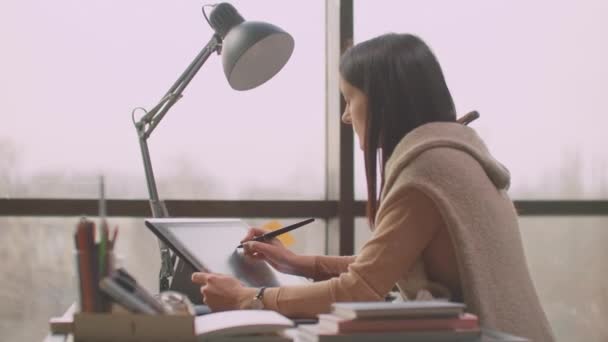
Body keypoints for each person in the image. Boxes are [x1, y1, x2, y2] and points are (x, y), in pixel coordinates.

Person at [191, 33, 554, 341]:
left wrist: (249, 298)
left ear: (383, 100)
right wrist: (296, 262)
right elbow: (384, 266)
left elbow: (360, 287)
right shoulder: (453, 158)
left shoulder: (428, 170)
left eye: (350, 99)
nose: (346, 116)